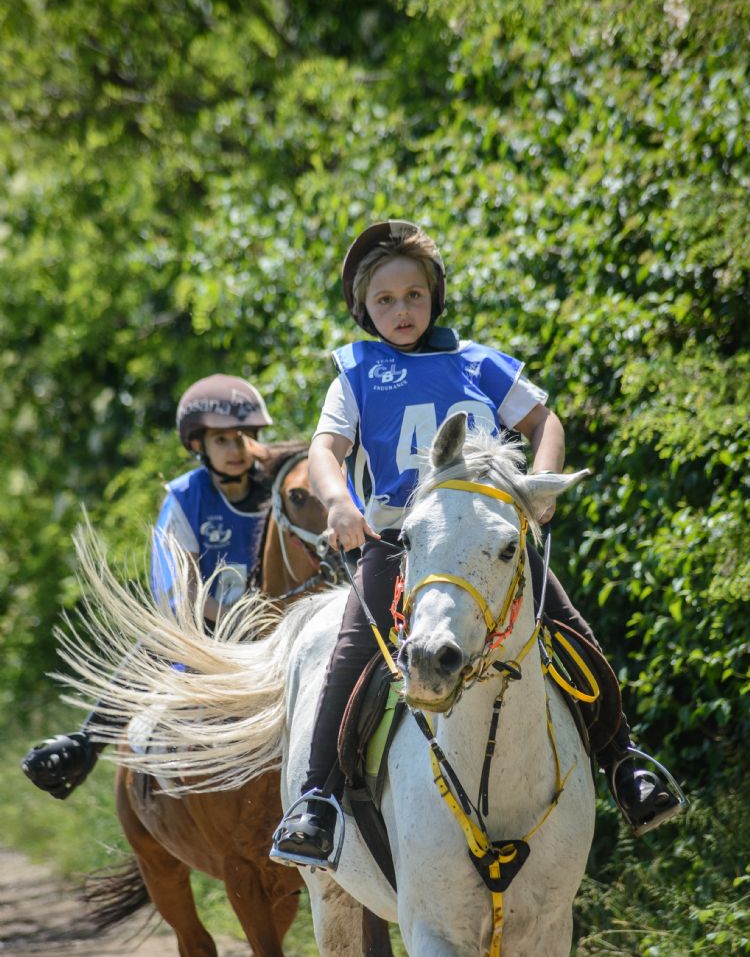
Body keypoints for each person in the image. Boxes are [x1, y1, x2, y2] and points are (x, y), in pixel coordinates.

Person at [271, 219, 683, 867]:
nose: (401, 309)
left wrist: (535, 488)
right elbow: (326, 450)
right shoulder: (356, 371)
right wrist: (340, 500)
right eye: (384, 299)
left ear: (434, 296)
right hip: (399, 540)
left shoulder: (479, 363)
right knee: (352, 653)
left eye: (413, 295)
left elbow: (544, 419)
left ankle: (623, 763)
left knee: (570, 630)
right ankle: (317, 798)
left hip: (482, 540)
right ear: (363, 308)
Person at [22, 374, 274, 799]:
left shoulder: (278, 489)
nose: (235, 450)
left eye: (243, 438)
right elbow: (181, 594)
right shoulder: (184, 497)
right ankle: (87, 746)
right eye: (222, 441)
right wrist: (240, 618)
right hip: (205, 629)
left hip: (277, 626)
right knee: (154, 644)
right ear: (199, 446)